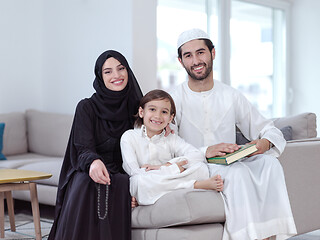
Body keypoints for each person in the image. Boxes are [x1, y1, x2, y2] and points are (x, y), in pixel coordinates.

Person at [170, 28, 297, 240]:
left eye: (200, 52)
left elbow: (268, 128)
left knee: (270, 164)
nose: (195, 60)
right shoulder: (173, 99)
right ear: (181, 61)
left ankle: (271, 235)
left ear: (213, 53)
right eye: (188, 55)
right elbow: (168, 146)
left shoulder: (231, 95)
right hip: (196, 166)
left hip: (230, 162)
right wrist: (205, 152)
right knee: (237, 174)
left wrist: (263, 144)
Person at [48, 50, 143, 240]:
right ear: (100, 77)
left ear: (128, 71)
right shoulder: (86, 107)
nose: (116, 75)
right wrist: (93, 162)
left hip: (124, 171)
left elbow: (151, 135)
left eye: (121, 68)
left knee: (121, 182)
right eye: (108, 71)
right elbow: (82, 148)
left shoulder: (138, 107)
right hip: (90, 168)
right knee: (86, 182)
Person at [120, 89, 223, 206]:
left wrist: (165, 166)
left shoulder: (171, 138)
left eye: (164, 112)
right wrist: (173, 169)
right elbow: (134, 172)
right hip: (147, 180)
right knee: (139, 182)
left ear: (170, 118)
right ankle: (194, 185)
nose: (157, 116)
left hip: (166, 179)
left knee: (201, 168)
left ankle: (154, 194)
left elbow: (197, 155)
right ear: (141, 112)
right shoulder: (129, 137)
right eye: (152, 109)